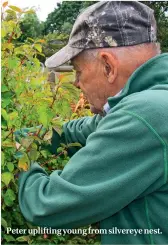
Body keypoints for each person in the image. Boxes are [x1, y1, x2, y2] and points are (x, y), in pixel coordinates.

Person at [18, 1, 168, 244]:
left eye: (78, 71)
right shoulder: (154, 101)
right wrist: (32, 135)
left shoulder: (142, 117)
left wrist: (19, 160)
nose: (76, 83)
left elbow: (48, 204)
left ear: (108, 66)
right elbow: (87, 127)